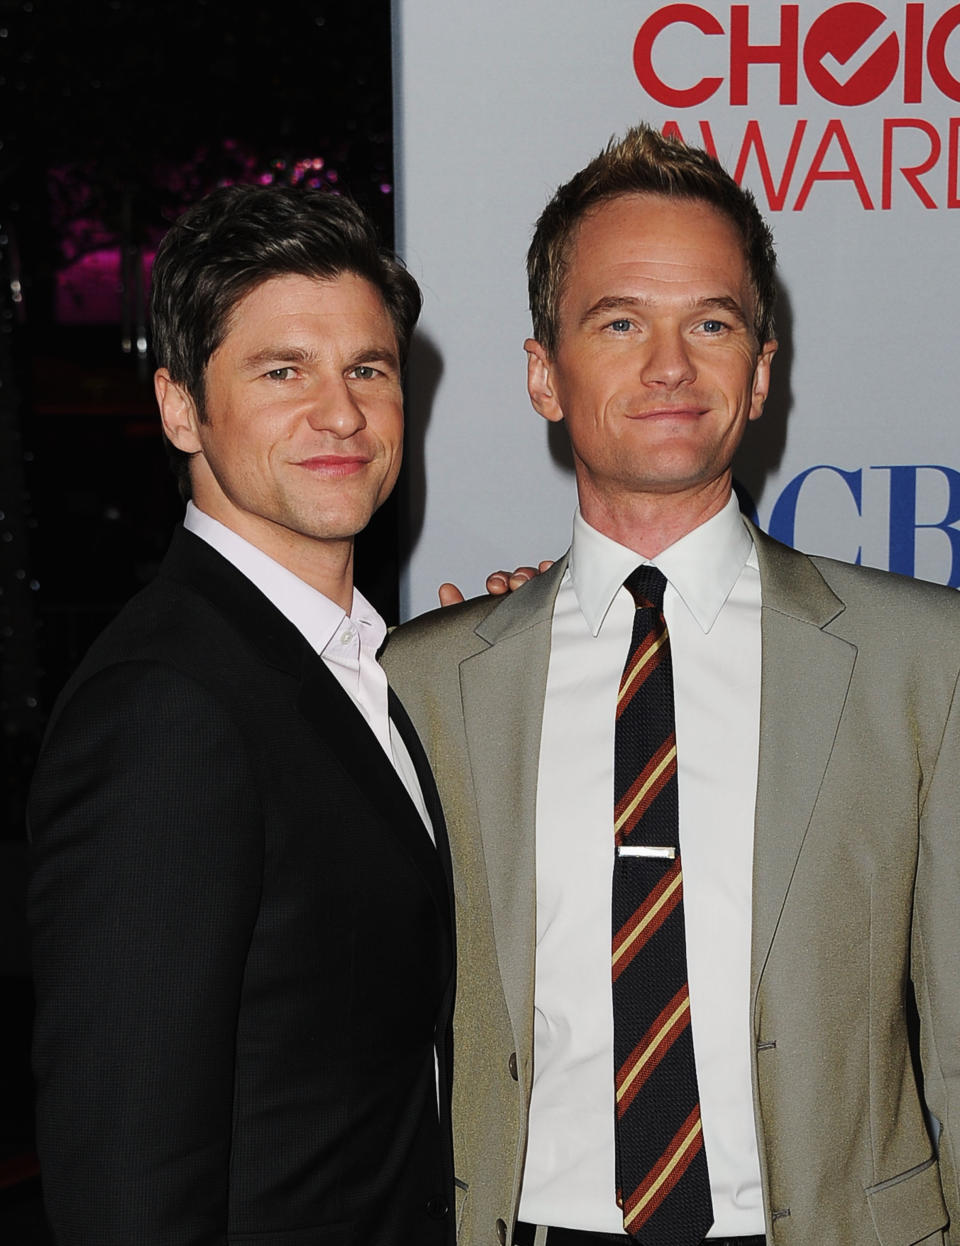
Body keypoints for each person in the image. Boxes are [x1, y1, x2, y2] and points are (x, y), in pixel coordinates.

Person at [382, 125, 960, 1246]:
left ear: (761, 371)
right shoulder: (430, 678)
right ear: (545, 374)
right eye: (618, 322)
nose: (668, 365)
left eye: (711, 322)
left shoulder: (921, 661)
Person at [28, 186, 456, 1246]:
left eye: (368, 368)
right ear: (181, 408)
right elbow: (126, 1182)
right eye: (283, 371)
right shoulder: (167, 708)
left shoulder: (360, 661)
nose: (343, 413)